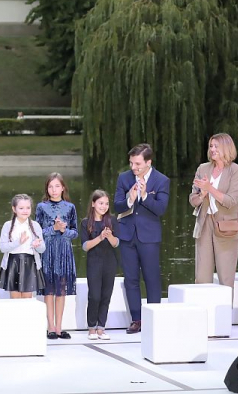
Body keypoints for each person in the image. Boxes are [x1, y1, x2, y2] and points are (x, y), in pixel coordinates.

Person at [114, 143, 170, 334]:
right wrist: (129, 199)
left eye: (137, 164)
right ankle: (136, 319)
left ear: (148, 162)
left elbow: (161, 209)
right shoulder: (124, 178)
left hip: (149, 236)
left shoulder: (161, 180)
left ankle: (154, 317)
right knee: (130, 278)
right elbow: (117, 206)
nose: (133, 167)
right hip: (127, 235)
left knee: (152, 278)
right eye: (131, 163)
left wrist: (145, 196)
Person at [189, 134, 238, 288]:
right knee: (201, 278)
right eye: (211, 146)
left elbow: (231, 201)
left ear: (226, 148)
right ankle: (203, 311)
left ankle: (226, 311)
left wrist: (210, 188)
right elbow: (193, 200)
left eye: (216, 146)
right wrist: (202, 195)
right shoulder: (203, 168)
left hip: (226, 227)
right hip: (204, 224)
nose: (212, 149)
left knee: (226, 279)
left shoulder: (236, 170)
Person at [36, 172, 78, 340]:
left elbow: (75, 233)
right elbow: (37, 232)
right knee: (49, 290)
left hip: (64, 252)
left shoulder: (70, 207)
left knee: (61, 291)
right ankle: (50, 327)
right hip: (48, 252)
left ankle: (60, 327)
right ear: (47, 188)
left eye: (57, 186)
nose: (54, 190)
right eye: (50, 186)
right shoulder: (41, 207)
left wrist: (63, 230)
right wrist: (53, 229)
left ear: (63, 188)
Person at [81, 190, 119, 340]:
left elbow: (116, 243)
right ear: (93, 204)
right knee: (94, 296)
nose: (104, 206)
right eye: (101, 203)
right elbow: (85, 246)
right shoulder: (86, 223)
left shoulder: (112, 221)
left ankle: (101, 328)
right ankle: (91, 327)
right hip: (94, 262)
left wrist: (109, 236)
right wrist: (100, 237)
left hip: (110, 262)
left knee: (106, 295)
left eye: (106, 204)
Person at [0, 194, 45, 299]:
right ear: (14, 209)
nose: (25, 211)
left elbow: (42, 249)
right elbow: (2, 247)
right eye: (21, 208)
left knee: (27, 298)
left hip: (30, 263)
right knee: (15, 298)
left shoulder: (35, 226)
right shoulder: (8, 225)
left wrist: (37, 245)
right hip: (13, 263)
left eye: (28, 208)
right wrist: (18, 242)